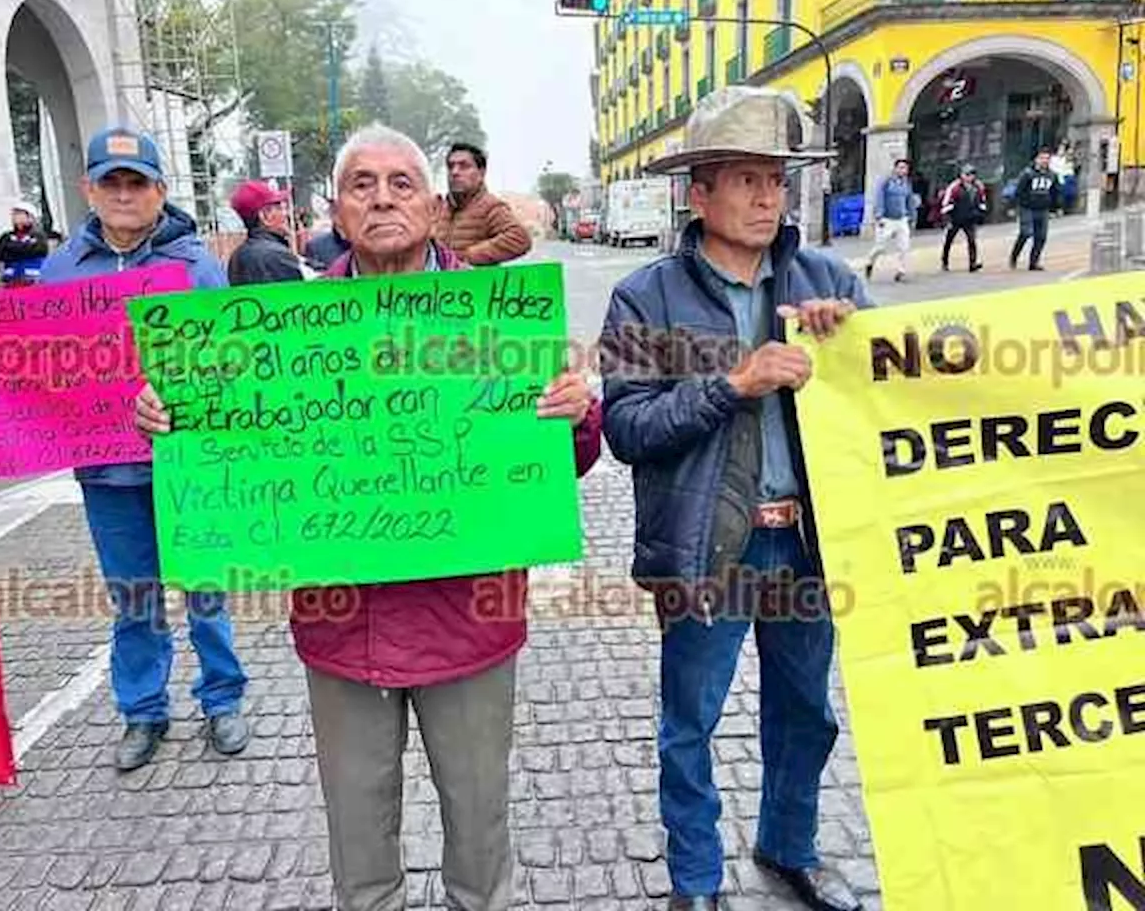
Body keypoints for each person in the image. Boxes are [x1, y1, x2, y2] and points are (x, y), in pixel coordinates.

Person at [136, 122, 602, 911]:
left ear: (431, 203)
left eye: (401, 183)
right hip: (341, 624)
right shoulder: (280, 332)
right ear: (337, 213)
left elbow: (570, 458)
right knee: (358, 840)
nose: (383, 198)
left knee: (481, 827)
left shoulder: (503, 315)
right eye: (362, 185)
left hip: (470, 622)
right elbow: (225, 444)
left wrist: (576, 410)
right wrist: (168, 416)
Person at [599, 86, 870, 911]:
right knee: (692, 723)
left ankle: (789, 847)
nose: (765, 198)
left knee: (806, 713)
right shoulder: (647, 295)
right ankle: (695, 881)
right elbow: (628, 427)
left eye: (777, 181)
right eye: (746, 179)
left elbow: (890, 393)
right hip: (707, 547)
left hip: (806, 542)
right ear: (700, 193)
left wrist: (848, 341)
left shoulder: (827, 278)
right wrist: (732, 384)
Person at [41, 125, 250, 772]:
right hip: (106, 472)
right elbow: (38, 364)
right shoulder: (60, 269)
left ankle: (222, 699)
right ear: (90, 189)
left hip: (186, 464)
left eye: (138, 183)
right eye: (112, 182)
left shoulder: (195, 267)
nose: (124, 194)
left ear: (161, 190)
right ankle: (143, 711)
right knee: (132, 596)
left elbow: (232, 362)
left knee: (205, 588)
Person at [433, 141, 531, 265]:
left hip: (473, 282)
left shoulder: (491, 207)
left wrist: (467, 256)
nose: (455, 172)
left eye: (464, 166)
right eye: (450, 166)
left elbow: (520, 239)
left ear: (481, 173)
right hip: (438, 282)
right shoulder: (439, 207)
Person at [226, 179, 309, 286]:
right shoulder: (277, 256)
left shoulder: (236, 258)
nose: (287, 213)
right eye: (280, 208)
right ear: (265, 216)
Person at [863, 158, 916, 283]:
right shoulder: (886, 182)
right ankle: (870, 262)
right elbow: (879, 197)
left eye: (905, 168)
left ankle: (901, 271)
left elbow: (909, 200)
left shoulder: (906, 183)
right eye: (901, 167)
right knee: (880, 247)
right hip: (887, 219)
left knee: (904, 247)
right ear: (895, 168)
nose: (903, 170)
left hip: (902, 218)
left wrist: (912, 217)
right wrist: (879, 216)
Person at [1009, 147, 1058, 271]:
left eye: (1047, 158)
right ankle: (1014, 256)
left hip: (1043, 209)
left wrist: (1055, 207)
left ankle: (1033, 262)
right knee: (1026, 232)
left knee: (1041, 237)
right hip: (1027, 208)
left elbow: (1055, 192)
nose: (1045, 161)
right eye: (1042, 158)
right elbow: (1019, 191)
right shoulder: (1027, 174)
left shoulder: (1051, 175)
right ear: (1037, 159)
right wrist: (1015, 206)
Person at [939, 164, 987, 272]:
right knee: (949, 240)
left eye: (972, 174)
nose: (970, 177)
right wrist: (947, 218)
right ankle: (944, 261)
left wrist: (980, 214)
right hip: (955, 218)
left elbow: (982, 201)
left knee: (972, 240)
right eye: (967, 174)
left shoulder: (978, 186)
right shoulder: (954, 187)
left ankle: (972, 263)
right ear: (961, 175)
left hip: (970, 218)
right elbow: (946, 203)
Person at [0, 202, 50, 288]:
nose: (15, 217)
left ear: (30, 217)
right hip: (11, 280)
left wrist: (13, 249)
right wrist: (23, 248)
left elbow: (39, 251)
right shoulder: (6, 237)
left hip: (33, 280)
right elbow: (0, 254)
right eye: (14, 214)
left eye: (19, 213)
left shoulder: (39, 236)